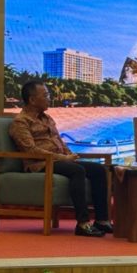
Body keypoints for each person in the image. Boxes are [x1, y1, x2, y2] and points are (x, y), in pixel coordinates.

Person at [9, 80, 113, 237]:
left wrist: (70, 155)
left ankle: (102, 220)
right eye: (46, 95)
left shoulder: (47, 119)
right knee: (77, 170)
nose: (49, 98)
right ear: (32, 100)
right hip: (40, 163)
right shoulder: (20, 122)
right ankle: (83, 223)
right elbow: (30, 150)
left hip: (59, 160)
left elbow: (59, 142)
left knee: (98, 169)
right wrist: (63, 158)